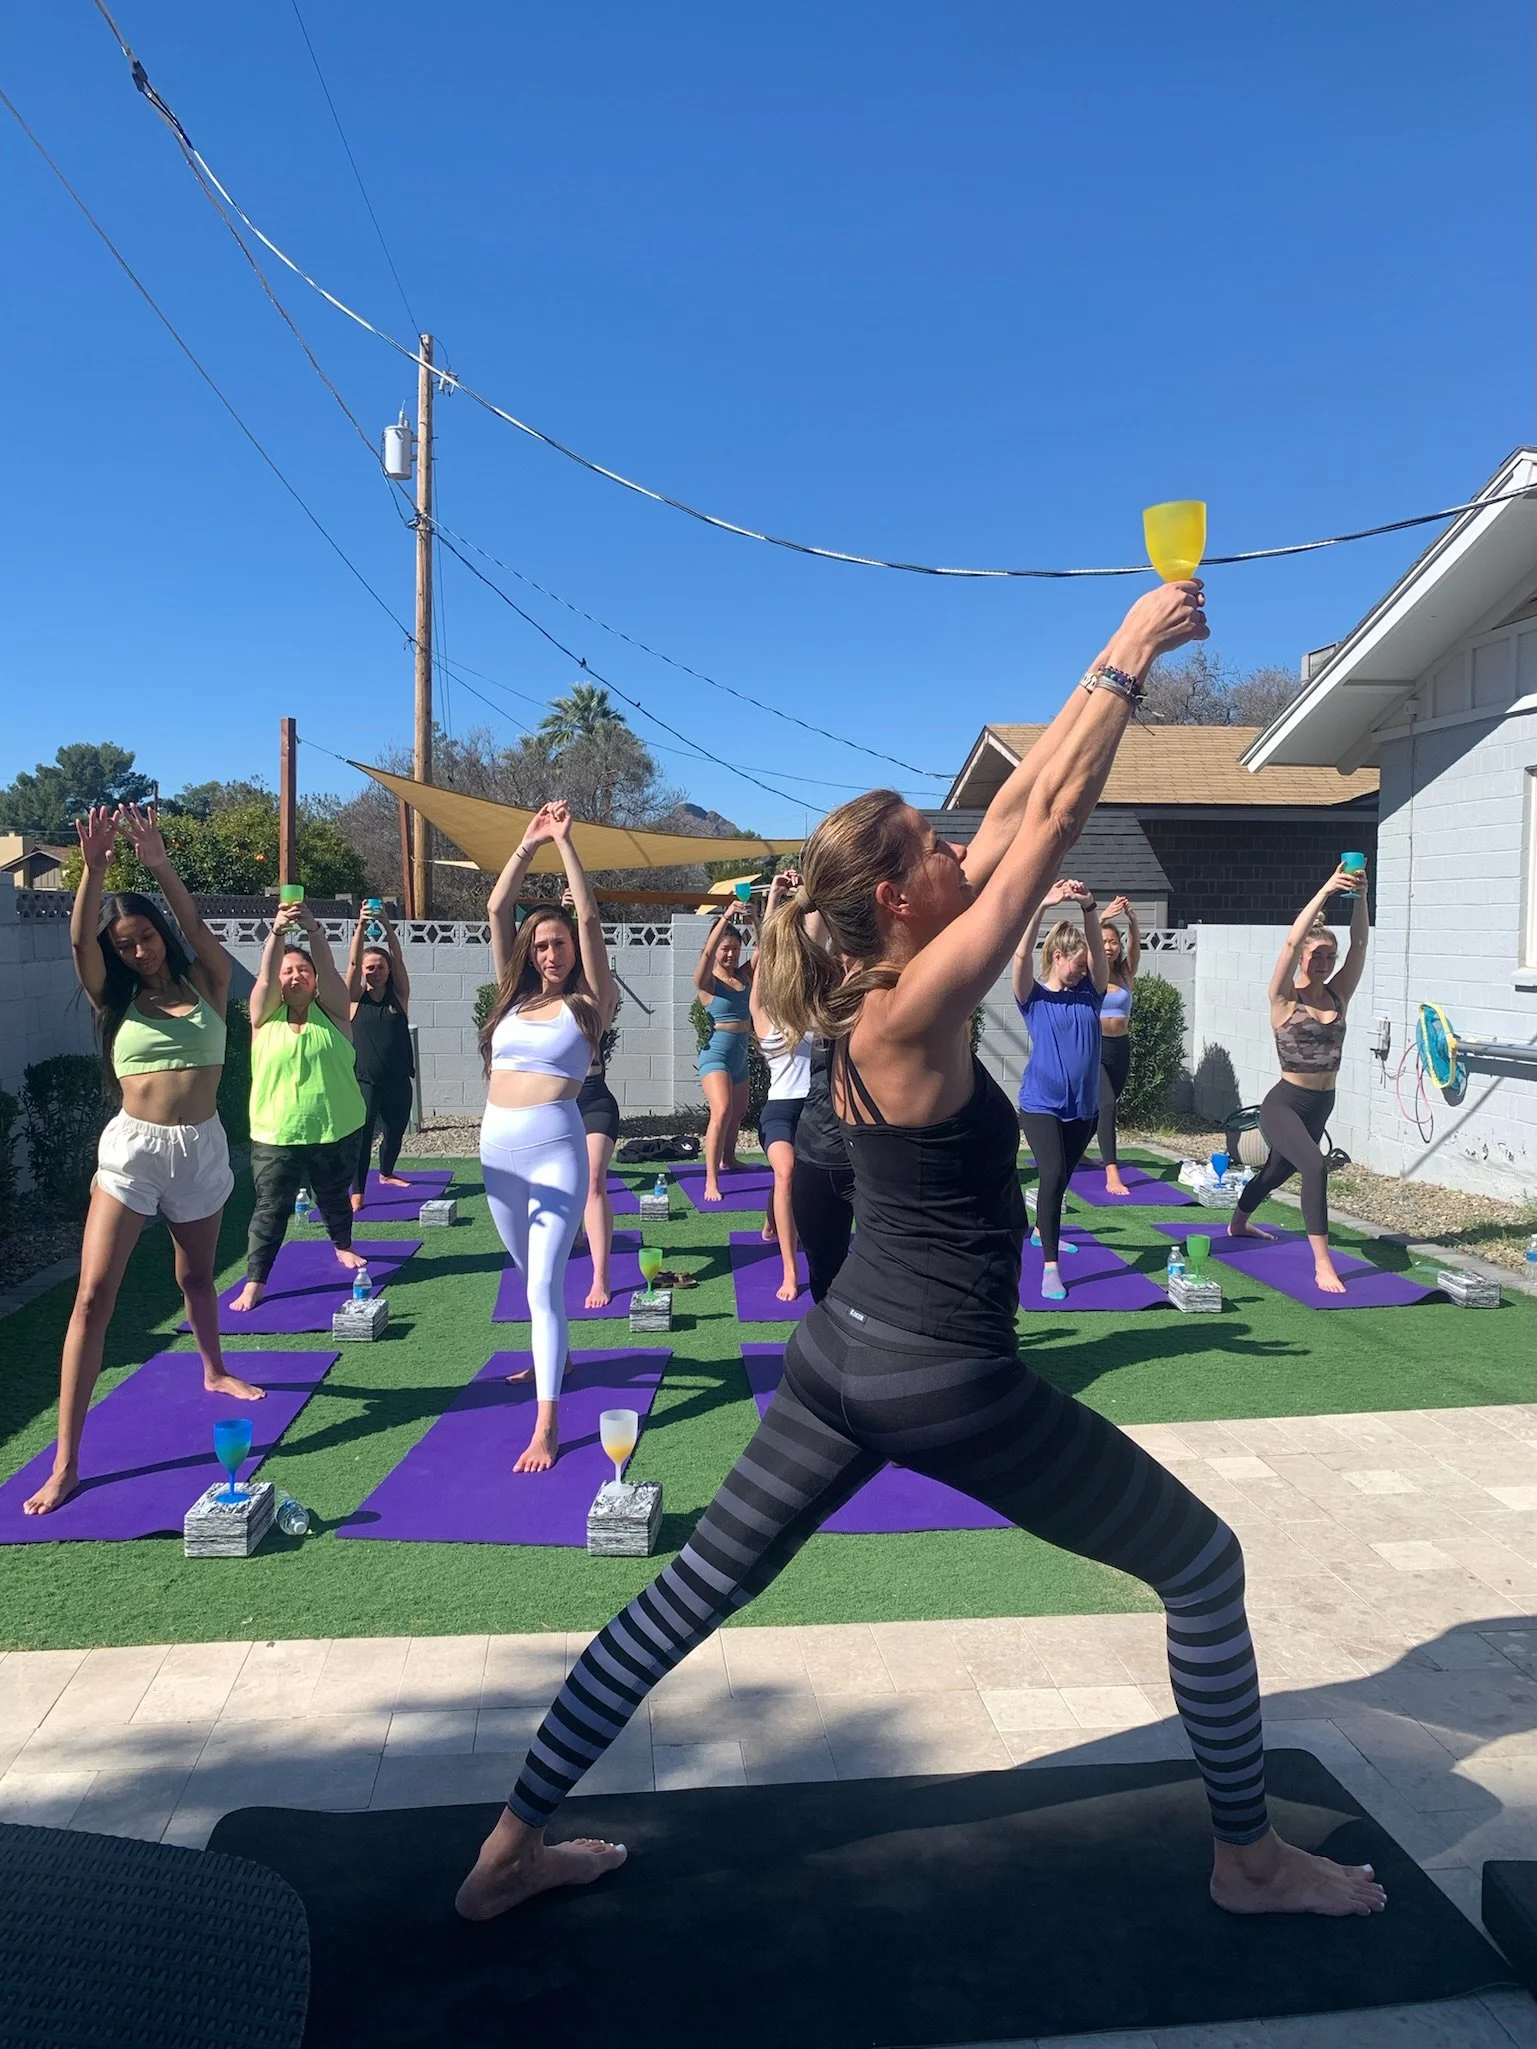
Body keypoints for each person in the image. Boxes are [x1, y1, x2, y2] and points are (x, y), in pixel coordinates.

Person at [457, 580, 1386, 1924]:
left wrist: (1099, 664)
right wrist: (1132, 651)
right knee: (1203, 1565)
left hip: (836, 1358)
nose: (964, 846)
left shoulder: (864, 994)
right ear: (898, 897)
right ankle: (1247, 1861)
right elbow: (1053, 820)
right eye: (931, 847)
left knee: (691, 1592)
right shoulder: (911, 1008)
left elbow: (1014, 814)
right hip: (944, 1379)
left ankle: (504, 1851)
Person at [24, 805, 263, 1516]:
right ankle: (67, 1460)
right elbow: (78, 943)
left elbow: (198, 931)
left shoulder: (209, 983)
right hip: (132, 1150)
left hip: (201, 1148)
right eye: (125, 943)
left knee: (196, 1277)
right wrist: (94, 870)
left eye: (145, 936)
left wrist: (158, 863)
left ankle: (214, 1368)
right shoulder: (112, 997)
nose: (139, 951)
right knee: (93, 1296)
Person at [480, 802, 618, 1471]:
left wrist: (565, 844)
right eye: (541, 944)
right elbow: (495, 907)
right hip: (495, 1152)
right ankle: (551, 1356)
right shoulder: (512, 1000)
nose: (551, 951)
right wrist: (525, 844)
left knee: (541, 1290)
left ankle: (547, 1423)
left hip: (556, 1150)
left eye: (558, 942)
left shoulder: (590, 1005)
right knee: (524, 1270)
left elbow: (589, 917)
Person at [1229, 867, 1369, 1292]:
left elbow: (1360, 944)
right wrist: (1326, 891)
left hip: (1321, 1104)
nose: (1324, 964)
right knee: (1313, 1165)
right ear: (1303, 959)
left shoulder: (1338, 993)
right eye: (1317, 956)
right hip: (1285, 1103)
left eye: (1330, 956)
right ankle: (1323, 1263)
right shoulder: (1284, 998)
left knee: (1275, 1173)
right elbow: (1292, 941)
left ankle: (1238, 1222)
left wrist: (1361, 897)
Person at [231, 903, 368, 1313]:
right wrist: (276, 933)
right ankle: (255, 1281)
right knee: (271, 1207)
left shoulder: (336, 1015)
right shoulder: (263, 1018)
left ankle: (343, 1245)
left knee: (334, 1196)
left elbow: (330, 975)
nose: (295, 976)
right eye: (287, 971)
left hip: (336, 1127)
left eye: (302, 971)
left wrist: (314, 933)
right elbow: (264, 977)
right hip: (276, 1133)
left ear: (314, 981)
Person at [1012, 881, 1108, 1298]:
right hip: (1040, 1105)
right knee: (1051, 1176)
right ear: (1057, 956)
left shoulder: (1091, 995)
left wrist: (1089, 906)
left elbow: (1099, 955)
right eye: (1078, 964)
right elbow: (1019, 956)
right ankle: (1051, 1265)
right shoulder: (1032, 997)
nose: (1084, 970)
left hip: (1084, 1107)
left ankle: (1040, 1231)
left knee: (1062, 1179)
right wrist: (1040, 904)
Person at [749, 868, 814, 1301]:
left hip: (815, 1108)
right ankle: (791, 1271)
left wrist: (806, 889)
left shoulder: (811, 1007)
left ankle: (773, 1219)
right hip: (778, 1111)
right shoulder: (760, 1010)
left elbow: (813, 934)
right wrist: (772, 896)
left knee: (793, 1182)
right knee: (787, 1174)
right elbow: (766, 945)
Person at [346, 908, 414, 1212]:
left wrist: (386, 925)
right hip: (365, 1082)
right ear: (363, 971)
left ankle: (386, 1173)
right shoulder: (352, 999)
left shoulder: (399, 996)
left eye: (381, 967)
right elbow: (351, 962)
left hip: (399, 1080)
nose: (376, 971)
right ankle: (357, 1190)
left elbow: (398, 958)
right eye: (370, 967)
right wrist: (361, 926)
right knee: (362, 1138)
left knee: (395, 1130)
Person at [694, 903, 756, 1201]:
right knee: (720, 1111)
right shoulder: (708, 982)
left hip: (740, 1056)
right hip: (716, 1055)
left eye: (734, 948)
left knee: (738, 1111)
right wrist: (725, 918)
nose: (730, 954)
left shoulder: (743, 977)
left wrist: (755, 917)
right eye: (725, 949)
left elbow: (766, 950)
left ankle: (728, 1159)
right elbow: (705, 955)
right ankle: (710, 1181)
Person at [1094, 895, 1140, 1198]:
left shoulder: (1125, 973)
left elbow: (1136, 944)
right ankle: (1112, 1170)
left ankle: (1079, 1152)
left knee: (1101, 1109)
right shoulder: (1090, 974)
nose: (1109, 946)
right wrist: (1098, 918)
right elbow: (1080, 943)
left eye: (1113, 942)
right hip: (1094, 1049)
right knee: (1107, 1105)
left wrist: (1132, 920)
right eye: (1103, 941)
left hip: (1120, 1048)